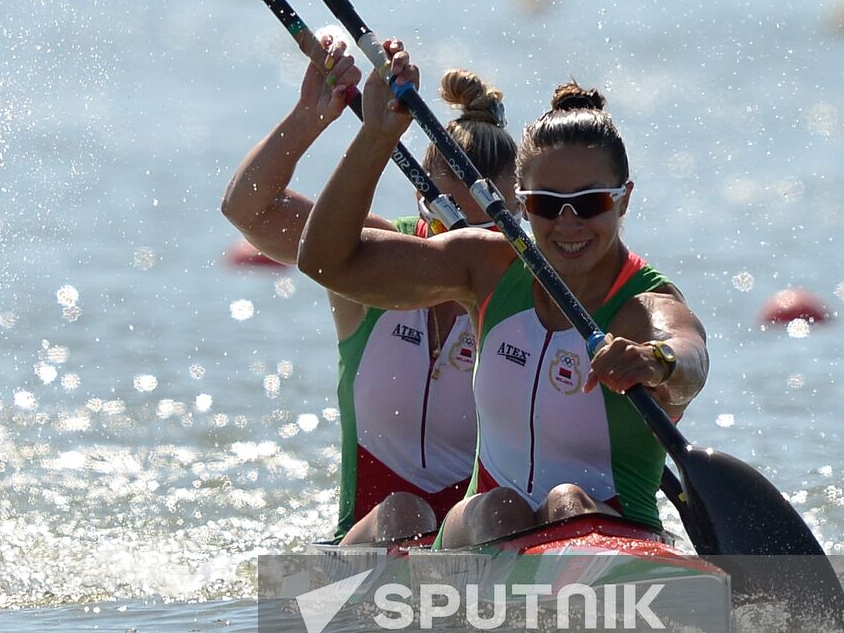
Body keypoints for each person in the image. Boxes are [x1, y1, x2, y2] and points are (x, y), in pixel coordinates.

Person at [297, 40, 708, 549]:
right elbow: (325, 262)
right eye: (546, 204)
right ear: (519, 203)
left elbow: (690, 358)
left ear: (624, 199)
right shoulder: (488, 266)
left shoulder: (644, 304)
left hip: (609, 537)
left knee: (567, 501)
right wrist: (377, 137)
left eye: (591, 202)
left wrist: (656, 361)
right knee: (465, 509)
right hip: (486, 527)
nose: (568, 222)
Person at [221, 34, 518, 546]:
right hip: (374, 537)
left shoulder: (535, 288)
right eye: (457, 228)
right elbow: (249, 210)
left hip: (477, 537)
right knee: (403, 512)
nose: (472, 253)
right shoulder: (363, 259)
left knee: (502, 507)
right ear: (423, 195)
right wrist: (311, 116)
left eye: (491, 229)